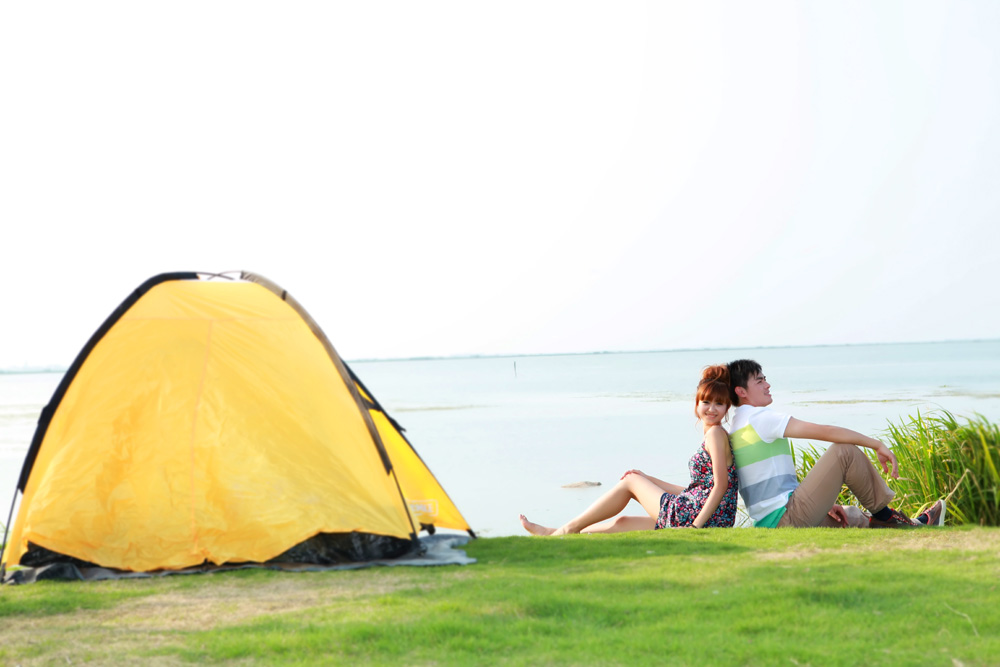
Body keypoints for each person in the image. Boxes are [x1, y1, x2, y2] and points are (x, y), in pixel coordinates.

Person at [726, 359, 946, 529]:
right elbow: (826, 432)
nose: (767, 384)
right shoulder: (760, 418)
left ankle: (909, 524)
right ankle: (887, 517)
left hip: (775, 522)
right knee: (844, 452)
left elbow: (772, 485)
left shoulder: (737, 425)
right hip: (787, 517)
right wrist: (876, 444)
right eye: (760, 381)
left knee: (850, 515)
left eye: (765, 379)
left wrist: (823, 501)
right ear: (741, 391)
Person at [519, 365, 738, 535]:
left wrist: (695, 527)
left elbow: (722, 485)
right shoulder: (715, 435)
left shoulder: (715, 434)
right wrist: (647, 478)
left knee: (630, 481)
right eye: (706, 402)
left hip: (701, 518)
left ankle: (567, 529)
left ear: (727, 408)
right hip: (703, 513)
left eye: (719, 404)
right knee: (622, 522)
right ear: (697, 404)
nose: (711, 409)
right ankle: (555, 532)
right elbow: (696, 490)